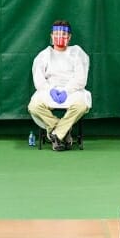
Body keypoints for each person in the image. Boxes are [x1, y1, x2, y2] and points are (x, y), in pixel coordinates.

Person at [27, 20, 92, 151]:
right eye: (56, 34)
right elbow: (38, 79)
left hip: (72, 91)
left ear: (69, 37)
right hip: (49, 91)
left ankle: (56, 134)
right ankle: (63, 131)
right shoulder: (44, 55)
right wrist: (49, 90)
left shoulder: (77, 53)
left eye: (63, 34)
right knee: (33, 107)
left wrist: (67, 91)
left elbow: (81, 78)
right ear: (51, 36)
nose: (60, 37)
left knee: (81, 105)